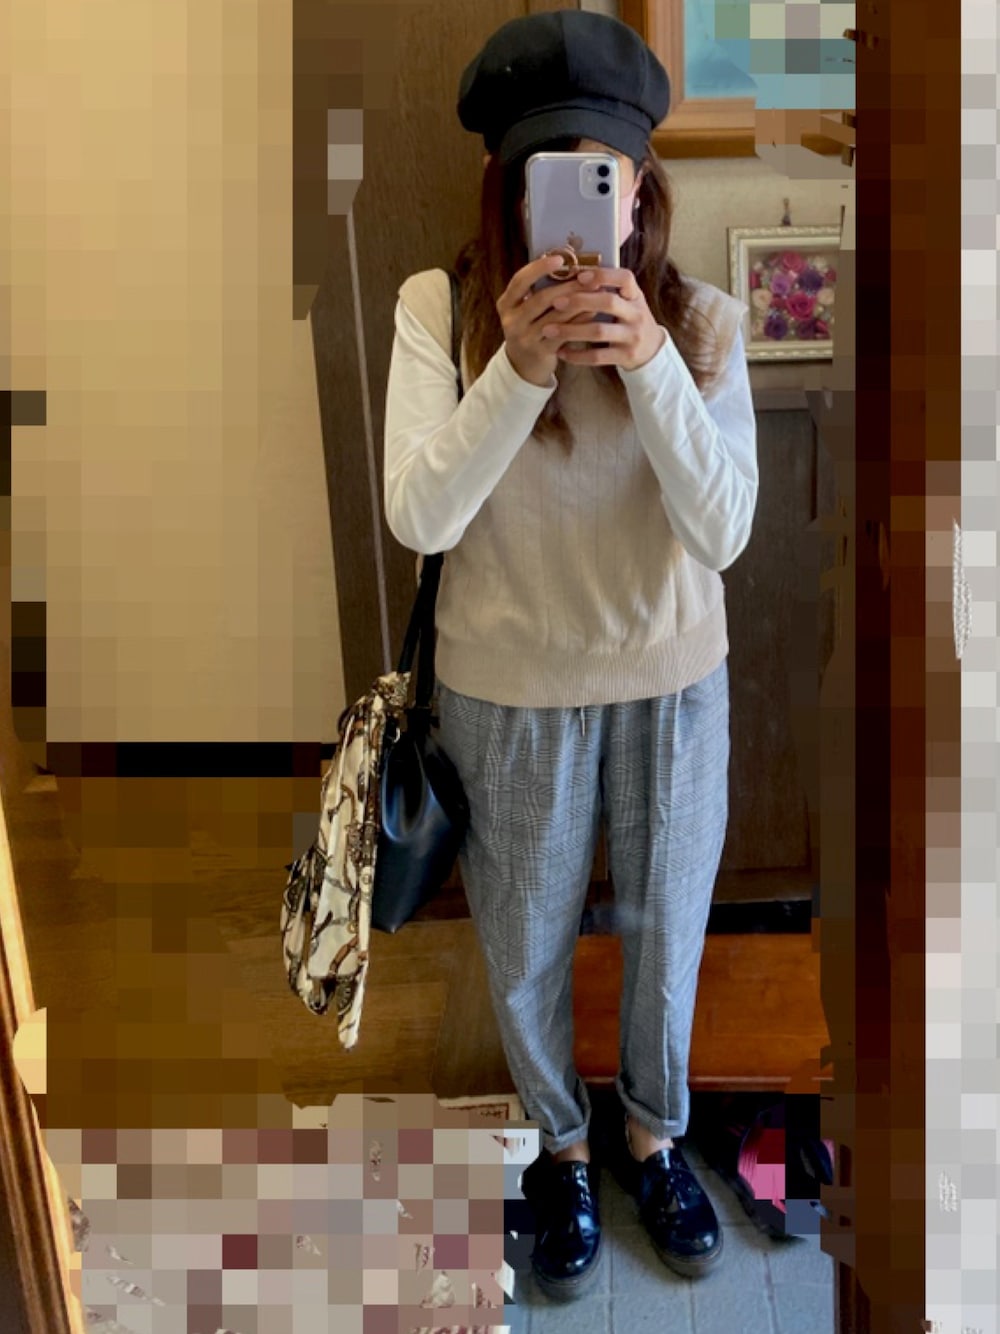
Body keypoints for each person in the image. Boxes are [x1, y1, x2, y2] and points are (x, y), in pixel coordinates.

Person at [383, 8, 758, 1302]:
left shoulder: (702, 323)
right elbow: (420, 516)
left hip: (672, 677)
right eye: (549, 180)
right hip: (508, 685)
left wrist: (647, 364)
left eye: (603, 178)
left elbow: (725, 529)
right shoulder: (439, 309)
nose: (580, 213)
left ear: (640, 188)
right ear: (505, 186)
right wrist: (520, 369)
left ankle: (652, 1138)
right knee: (525, 941)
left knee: (667, 936)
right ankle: (558, 1148)